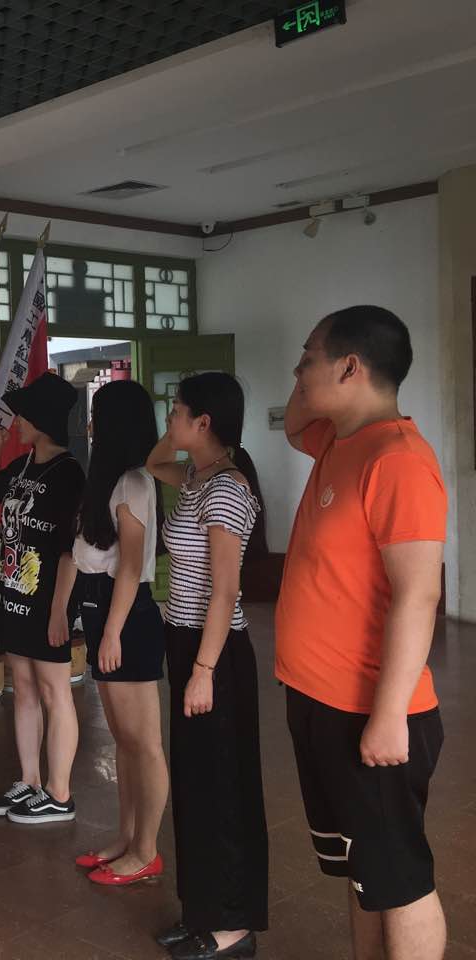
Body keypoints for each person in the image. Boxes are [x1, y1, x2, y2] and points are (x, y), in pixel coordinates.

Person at [278, 306, 446, 960]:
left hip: (369, 711)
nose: (297, 373)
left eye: (307, 359)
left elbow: (419, 594)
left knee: (399, 879)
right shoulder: (337, 440)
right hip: (319, 698)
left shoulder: (398, 459)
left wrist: (389, 715)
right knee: (362, 869)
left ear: (350, 367)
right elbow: (295, 420)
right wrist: (313, 375)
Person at [146, 372, 267, 960]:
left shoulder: (226, 490)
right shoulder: (196, 478)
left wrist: (203, 670)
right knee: (195, 787)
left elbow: (226, 591)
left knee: (222, 791)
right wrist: (179, 435)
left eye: (178, 411)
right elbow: (153, 462)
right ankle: (201, 911)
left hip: (214, 654)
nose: (169, 419)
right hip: (188, 643)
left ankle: (233, 926)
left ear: (204, 422)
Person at [69, 380, 168, 885]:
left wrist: (112, 633)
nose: (90, 425)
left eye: (97, 415)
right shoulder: (111, 480)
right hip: (105, 611)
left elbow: (129, 567)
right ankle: (126, 838)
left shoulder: (134, 482)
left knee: (143, 743)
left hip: (125, 615)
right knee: (124, 742)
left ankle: (146, 850)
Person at [0, 373, 84, 823]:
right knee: (22, 688)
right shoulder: (23, 466)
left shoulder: (69, 473)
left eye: (23, 415)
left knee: (54, 691)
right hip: (13, 595)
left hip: (47, 601)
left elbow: (71, 550)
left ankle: (60, 793)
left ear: (42, 420)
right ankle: (30, 780)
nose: (16, 422)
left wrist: (60, 611)